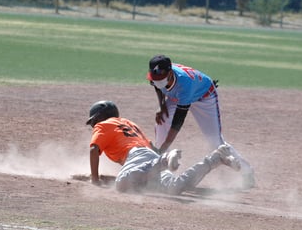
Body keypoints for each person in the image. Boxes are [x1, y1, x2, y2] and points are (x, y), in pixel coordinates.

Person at [85, 100, 241, 195]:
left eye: (93, 120)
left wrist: (94, 179)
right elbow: (151, 146)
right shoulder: (128, 123)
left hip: (140, 157)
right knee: (175, 187)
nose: (93, 125)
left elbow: (94, 150)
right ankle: (216, 158)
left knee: (122, 183)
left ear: (99, 116)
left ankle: (165, 160)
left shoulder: (103, 125)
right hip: (151, 158)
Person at [146, 54, 255, 189]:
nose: (158, 81)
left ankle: (247, 171)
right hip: (180, 95)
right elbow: (158, 86)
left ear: (170, 73)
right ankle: (161, 171)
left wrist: (163, 147)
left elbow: (178, 122)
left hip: (204, 97)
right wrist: (161, 106)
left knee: (215, 142)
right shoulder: (157, 74)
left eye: (161, 79)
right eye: (155, 79)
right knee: (162, 120)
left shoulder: (184, 84)